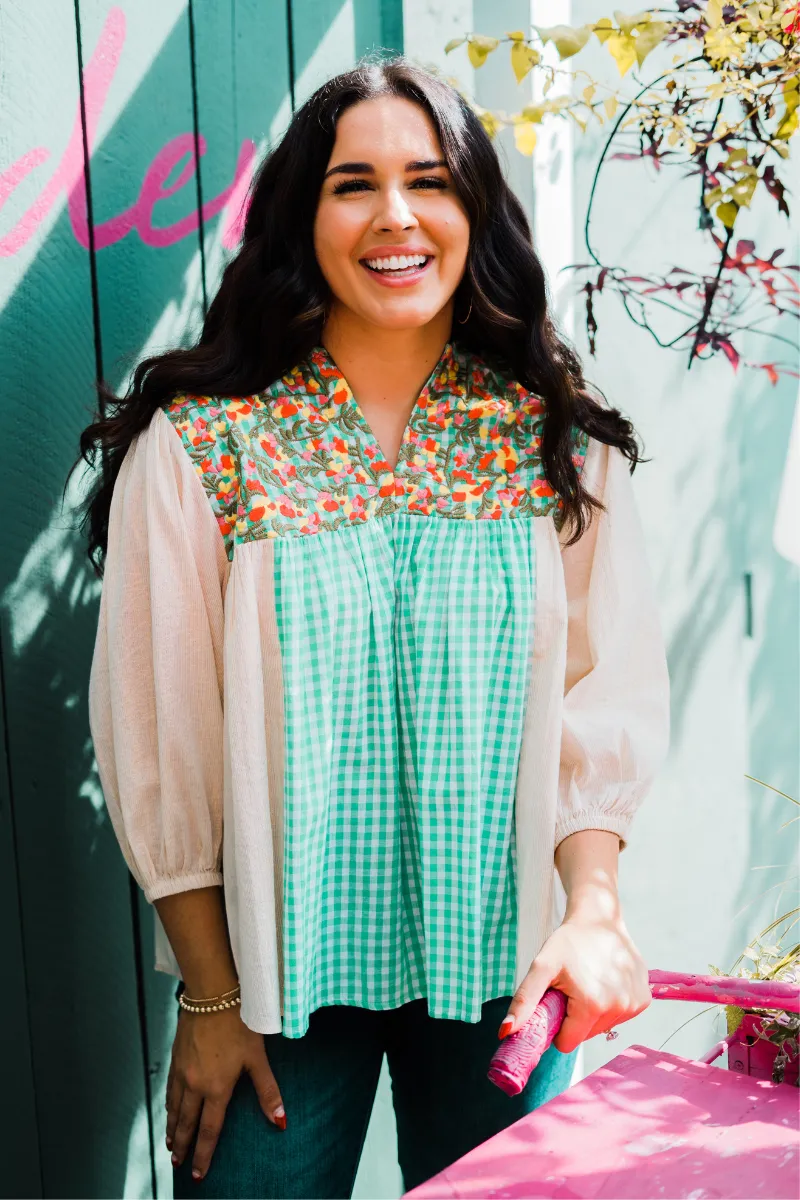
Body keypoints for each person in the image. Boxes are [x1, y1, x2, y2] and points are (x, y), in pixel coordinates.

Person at [75, 56, 670, 1200]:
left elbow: (599, 703)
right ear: (304, 216)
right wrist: (204, 998)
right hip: (271, 986)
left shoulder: (552, 440)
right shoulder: (207, 446)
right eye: (353, 183)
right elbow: (162, 738)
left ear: (473, 211)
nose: (394, 215)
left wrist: (592, 911)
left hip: (504, 972)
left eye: (429, 180)